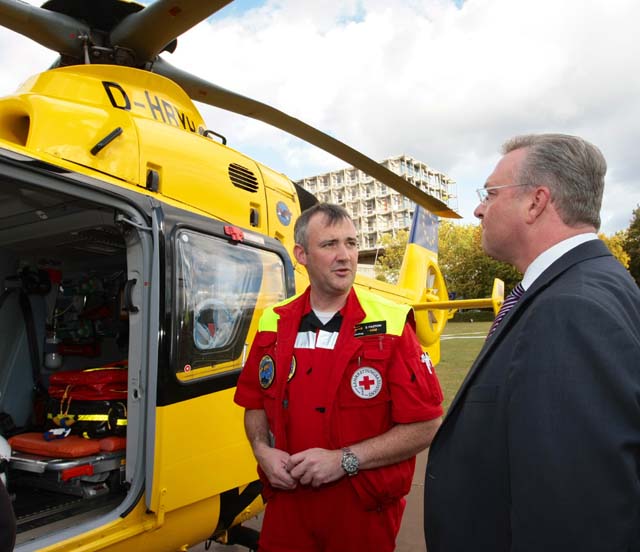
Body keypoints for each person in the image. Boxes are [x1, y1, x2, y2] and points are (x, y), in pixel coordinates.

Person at [424, 133, 640, 552]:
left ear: (536, 202)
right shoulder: (589, 284)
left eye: (490, 193)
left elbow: (573, 516)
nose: (478, 208)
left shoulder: (570, 310)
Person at [235, 202, 443, 552]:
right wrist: (262, 451)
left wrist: (343, 460)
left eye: (351, 243)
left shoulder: (391, 326)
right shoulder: (272, 322)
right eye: (330, 244)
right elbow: (254, 403)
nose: (345, 255)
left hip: (360, 509)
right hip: (287, 505)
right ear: (301, 254)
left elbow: (427, 425)